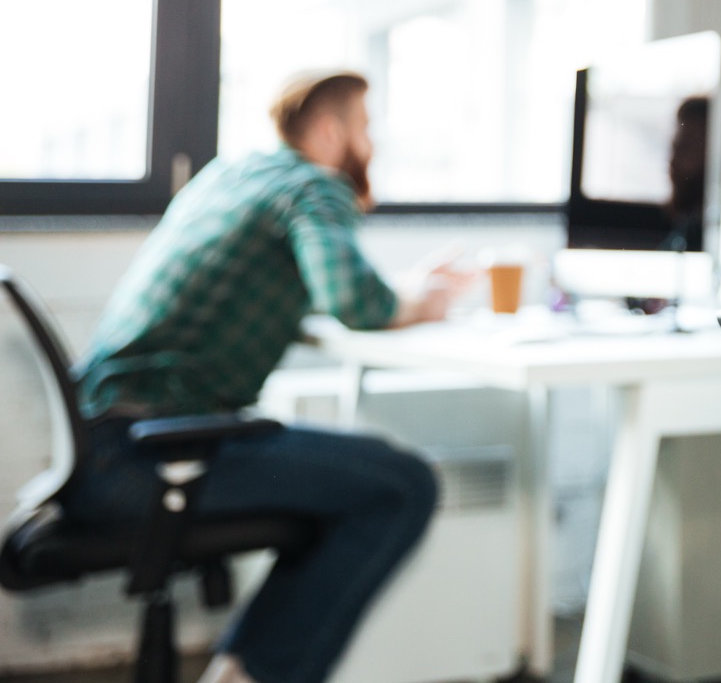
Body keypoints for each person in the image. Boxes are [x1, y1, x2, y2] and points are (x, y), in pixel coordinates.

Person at [71, 71, 476, 683]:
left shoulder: (234, 174)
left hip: (101, 444)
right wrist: (420, 304)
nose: (373, 146)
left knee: (348, 487)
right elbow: (352, 300)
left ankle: (242, 671)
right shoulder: (314, 185)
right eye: (366, 129)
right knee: (403, 484)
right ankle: (247, 675)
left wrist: (401, 294)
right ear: (329, 130)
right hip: (149, 455)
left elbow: (315, 287)